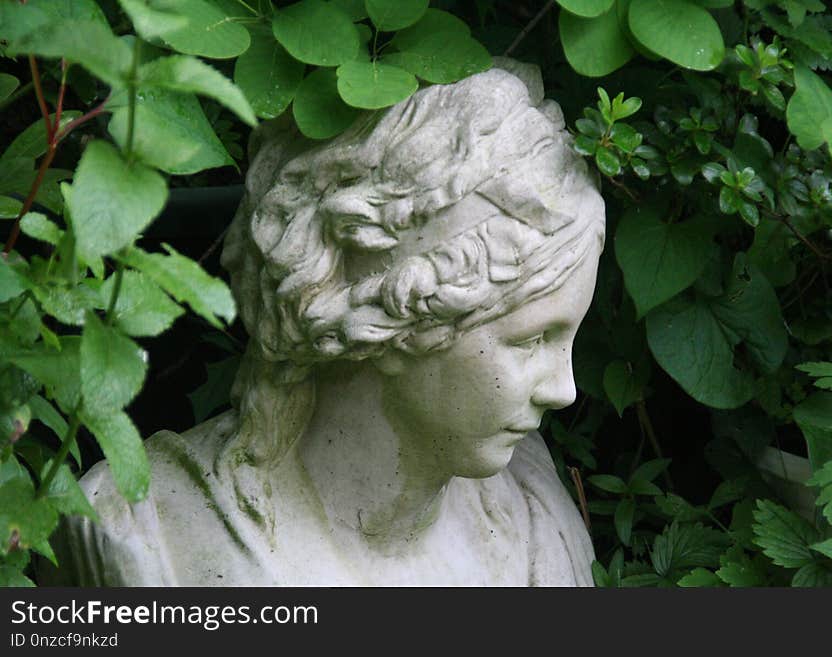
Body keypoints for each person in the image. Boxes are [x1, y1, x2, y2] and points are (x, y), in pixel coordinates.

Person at [54, 61, 606, 586]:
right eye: (531, 339)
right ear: (391, 318)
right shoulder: (146, 536)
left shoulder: (539, 528)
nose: (565, 389)